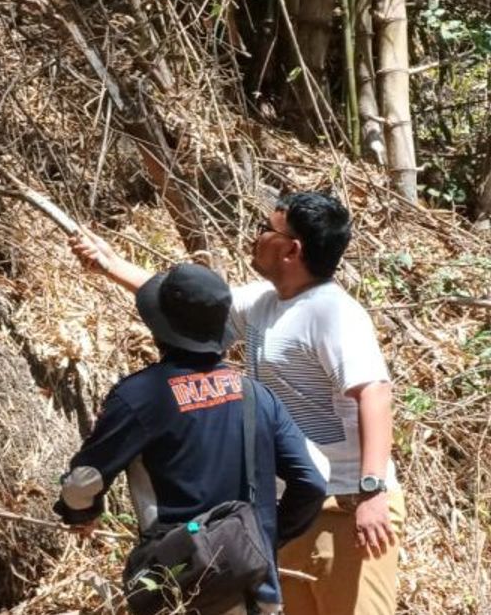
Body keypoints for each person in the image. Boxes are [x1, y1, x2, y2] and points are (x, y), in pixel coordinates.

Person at [70, 191, 403, 614]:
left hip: (347, 507)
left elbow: (374, 392)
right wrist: (110, 265)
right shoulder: (265, 302)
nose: (256, 235)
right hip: (295, 504)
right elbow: (191, 308)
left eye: (266, 228)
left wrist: (371, 490)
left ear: (291, 249)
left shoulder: (334, 314)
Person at [54, 262, 327, 613]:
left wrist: (80, 514)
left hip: (180, 587)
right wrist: (264, 536)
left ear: (158, 328)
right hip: (256, 590)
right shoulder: (256, 395)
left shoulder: (139, 397)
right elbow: (314, 480)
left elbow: (84, 481)